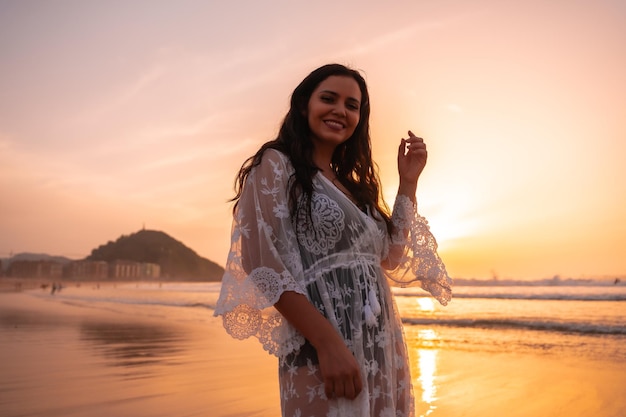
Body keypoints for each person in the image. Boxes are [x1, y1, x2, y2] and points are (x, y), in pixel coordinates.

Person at [214, 63, 452, 416]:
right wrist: (328, 345)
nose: (340, 110)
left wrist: (408, 183)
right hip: (321, 347)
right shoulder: (276, 165)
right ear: (304, 104)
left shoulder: (352, 187)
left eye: (352, 105)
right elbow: (262, 262)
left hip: (380, 348)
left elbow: (389, 257)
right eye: (329, 98)